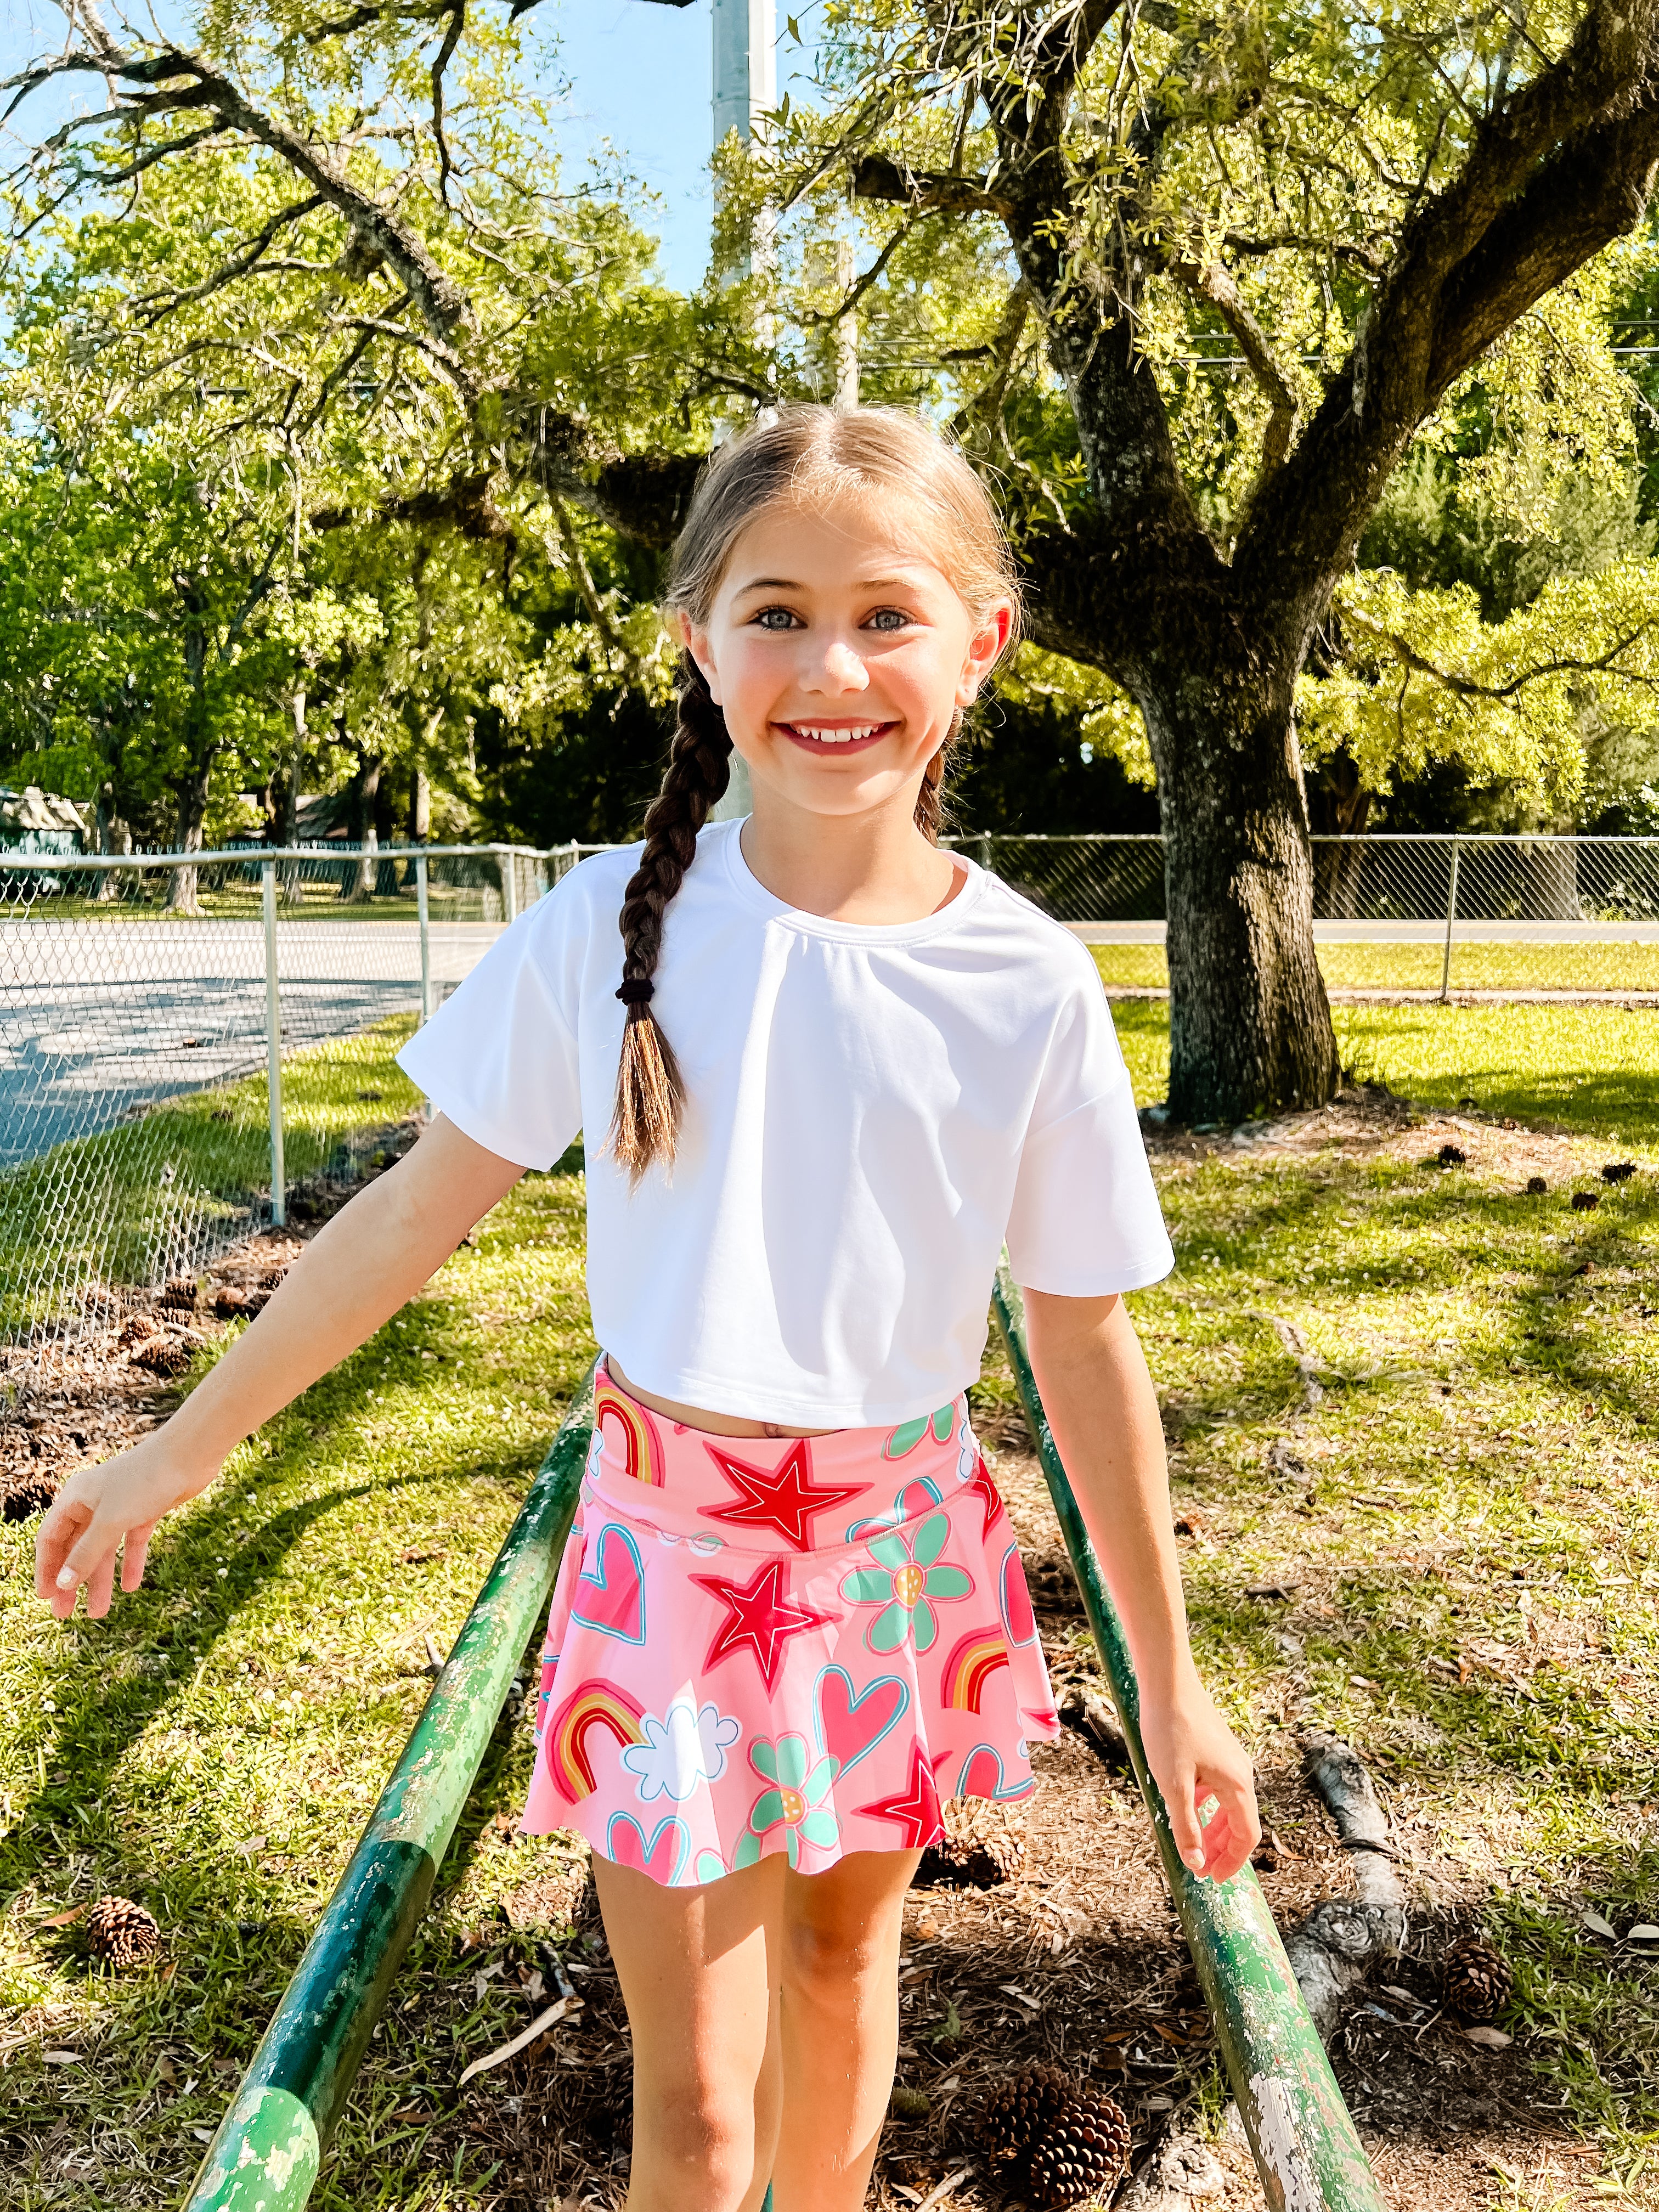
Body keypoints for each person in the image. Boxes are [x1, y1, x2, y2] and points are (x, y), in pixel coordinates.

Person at [37, 406, 1260, 2212]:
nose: (830, 667)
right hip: (669, 1565)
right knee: (692, 2109)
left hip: (901, 1558)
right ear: (696, 637)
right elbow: (403, 1220)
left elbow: (1084, 1339)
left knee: (848, 1974)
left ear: (982, 639)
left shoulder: (1028, 982)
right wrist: (171, 1446)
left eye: (887, 615)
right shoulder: (608, 928)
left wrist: (1173, 1688)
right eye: (775, 613)